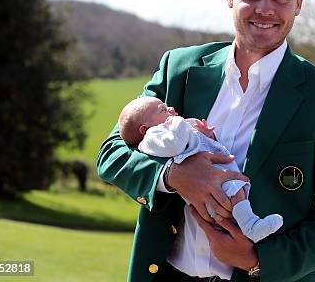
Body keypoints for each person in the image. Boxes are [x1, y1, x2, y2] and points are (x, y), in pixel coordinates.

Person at [97, 0, 315, 282]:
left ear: (298, 3)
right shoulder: (178, 69)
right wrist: (172, 177)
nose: (265, 9)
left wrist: (258, 260)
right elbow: (112, 153)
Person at [117, 96, 284, 243]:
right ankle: (251, 227)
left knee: (236, 193)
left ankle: (248, 227)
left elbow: (197, 142)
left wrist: (206, 134)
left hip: (218, 174)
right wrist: (178, 122)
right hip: (209, 187)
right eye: (163, 110)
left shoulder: (168, 128)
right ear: (144, 129)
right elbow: (175, 145)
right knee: (235, 192)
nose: (171, 109)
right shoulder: (153, 137)